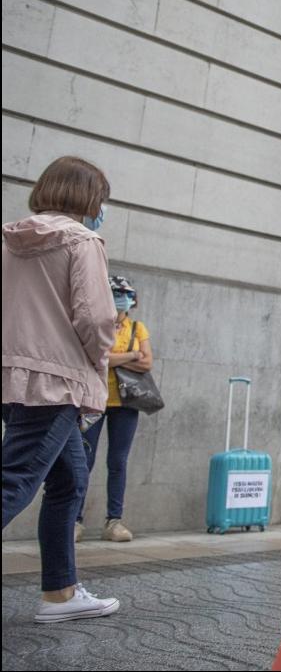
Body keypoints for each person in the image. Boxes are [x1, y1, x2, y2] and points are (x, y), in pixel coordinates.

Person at [2, 156, 121, 622]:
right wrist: (98, 362)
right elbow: (95, 318)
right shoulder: (83, 241)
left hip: (13, 377)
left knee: (69, 481)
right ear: (88, 197)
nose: (102, 207)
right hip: (57, 380)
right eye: (102, 198)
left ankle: (60, 594)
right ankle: (60, 593)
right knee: (14, 481)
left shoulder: (10, 241)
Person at [74, 276, 152, 544]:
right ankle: (75, 520)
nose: (120, 299)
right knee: (84, 459)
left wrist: (115, 359)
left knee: (118, 462)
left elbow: (147, 363)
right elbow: (98, 357)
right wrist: (131, 356)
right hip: (94, 401)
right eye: (115, 293)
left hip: (126, 404)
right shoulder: (98, 326)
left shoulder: (137, 328)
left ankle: (114, 521)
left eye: (124, 294)